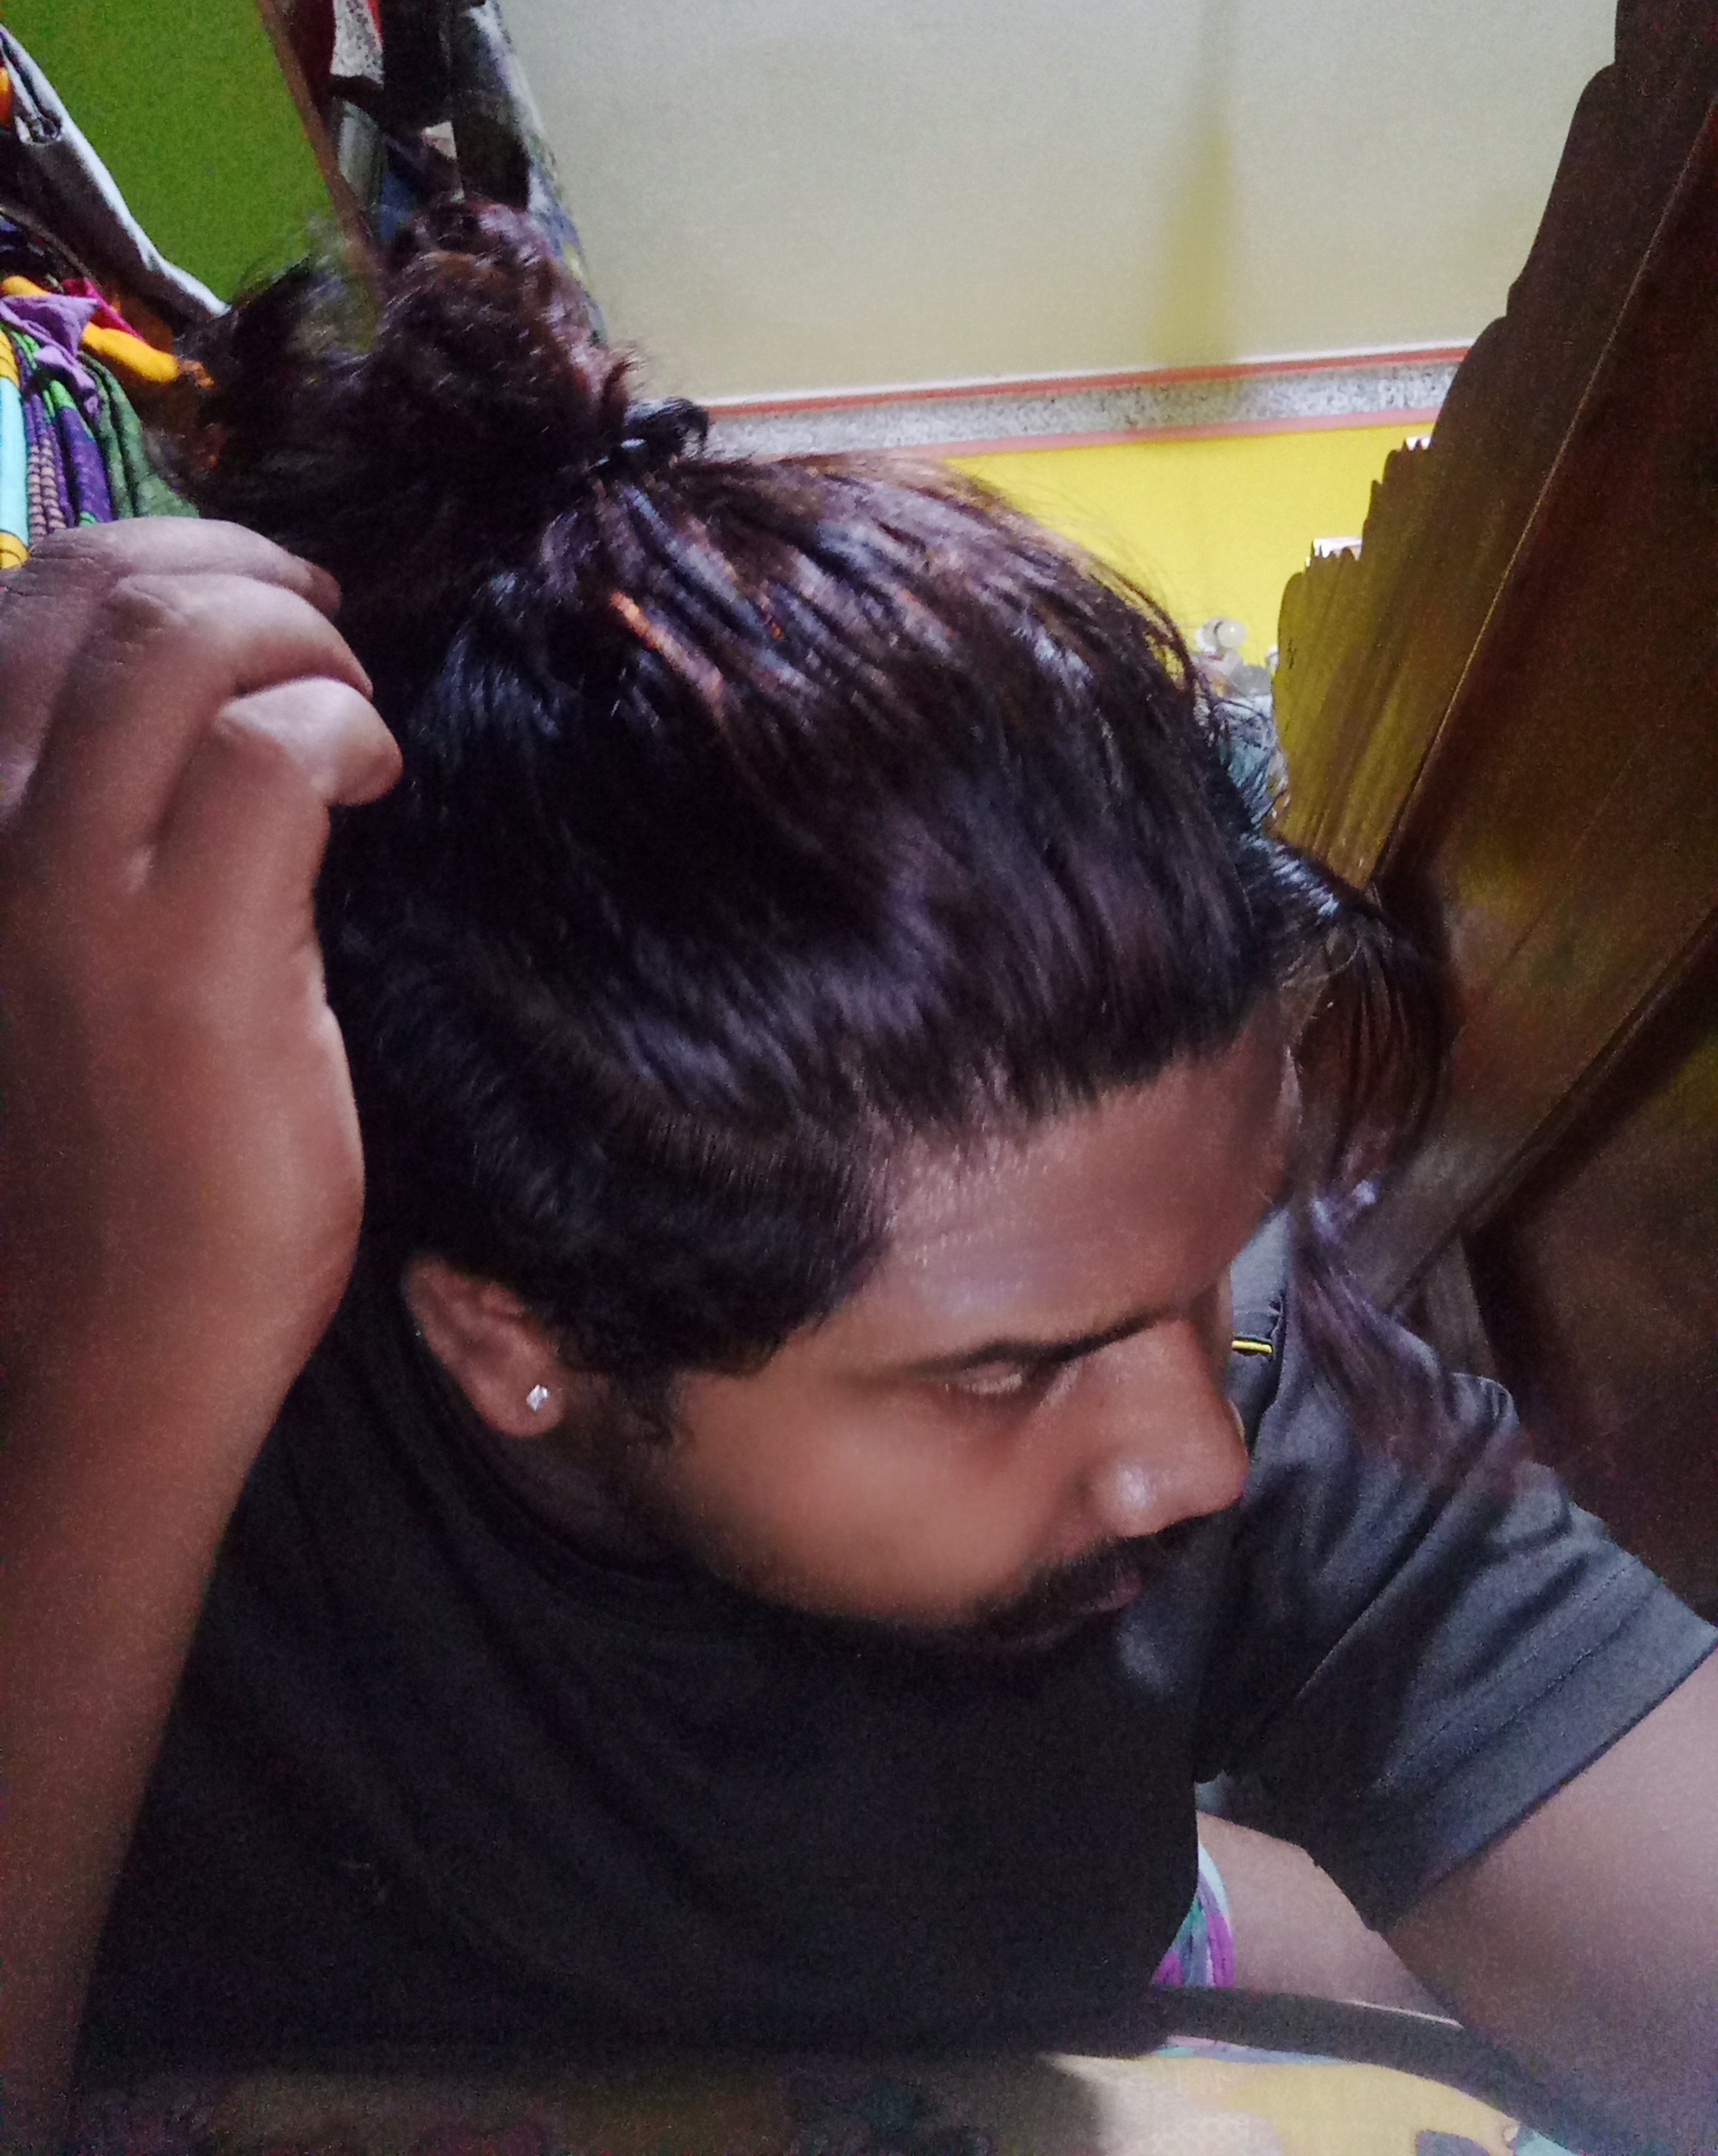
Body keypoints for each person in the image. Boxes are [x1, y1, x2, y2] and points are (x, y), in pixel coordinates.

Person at [1, 202, 1714, 2155]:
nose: (1201, 1460)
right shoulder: (173, 1380)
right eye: (1007, 1370)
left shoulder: (1247, 1373)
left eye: (1235, 1242)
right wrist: (126, 1370)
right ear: (517, 1342)